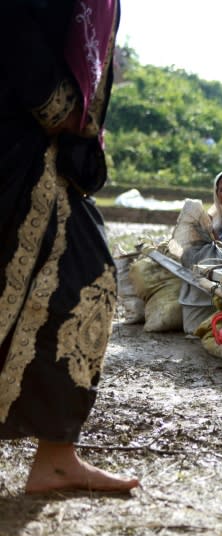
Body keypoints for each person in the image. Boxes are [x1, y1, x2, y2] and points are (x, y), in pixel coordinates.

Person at [0, 0, 139, 493]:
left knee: (85, 279)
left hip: (47, 155)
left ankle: (57, 457)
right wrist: (61, 108)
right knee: (87, 277)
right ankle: (56, 457)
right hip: (19, 146)